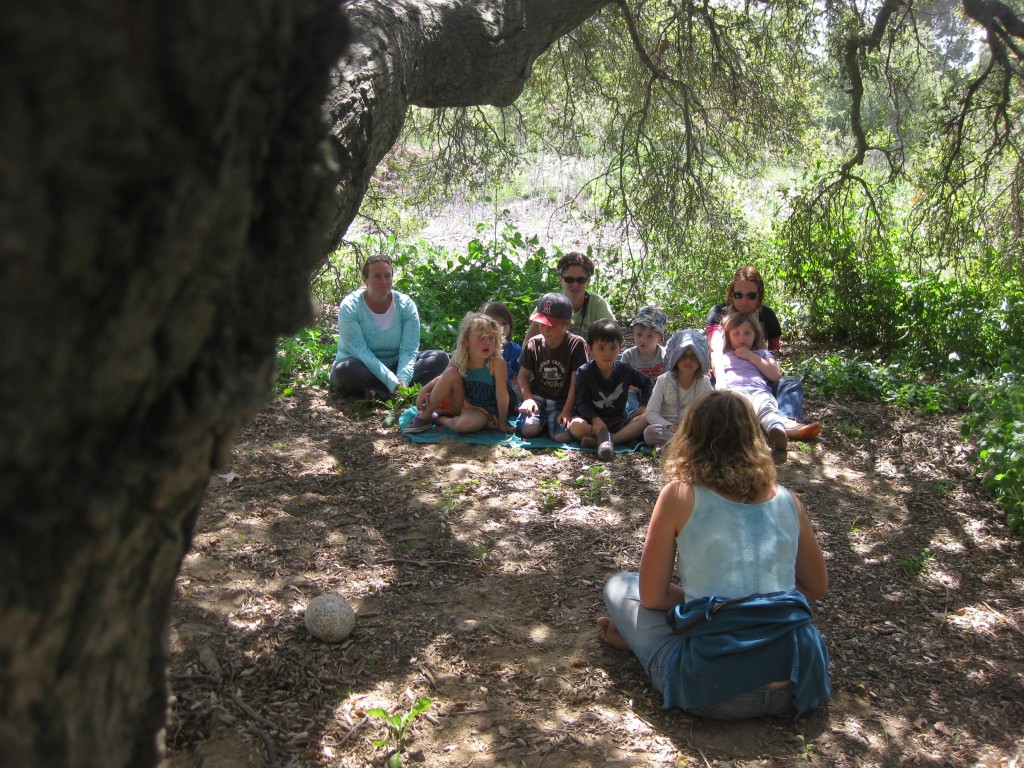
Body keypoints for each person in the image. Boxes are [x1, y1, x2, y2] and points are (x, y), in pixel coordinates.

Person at [599, 390, 830, 719]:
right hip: (798, 681)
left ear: (690, 437)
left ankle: (641, 646)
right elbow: (815, 587)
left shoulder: (679, 495)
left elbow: (652, 596)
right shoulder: (788, 501)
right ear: (755, 437)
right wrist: (756, 603)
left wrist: (712, 606)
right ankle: (648, 642)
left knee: (621, 585)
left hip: (715, 692)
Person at [706, 266, 820, 440]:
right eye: (738, 294)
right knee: (705, 384)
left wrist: (755, 360)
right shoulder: (718, 313)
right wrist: (721, 381)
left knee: (790, 383)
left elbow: (773, 352)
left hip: (759, 380)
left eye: (751, 295)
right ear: (731, 294)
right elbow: (715, 351)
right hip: (725, 374)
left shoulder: (768, 317)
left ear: (759, 296)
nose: (744, 300)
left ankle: (786, 421)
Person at [330, 254, 449, 399]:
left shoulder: (405, 305)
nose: (384, 281)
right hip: (362, 366)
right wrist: (392, 382)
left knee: (440, 358)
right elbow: (361, 352)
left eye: (387, 276)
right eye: (377, 276)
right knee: (343, 371)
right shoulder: (350, 307)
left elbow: (409, 349)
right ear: (365, 280)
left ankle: (381, 393)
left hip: (396, 364)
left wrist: (403, 379)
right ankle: (395, 391)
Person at [404, 312, 514, 435]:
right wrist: (426, 388)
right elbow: (444, 378)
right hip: (460, 401)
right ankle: (424, 417)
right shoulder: (460, 358)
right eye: (481, 337)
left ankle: (438, 419)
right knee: (451, 372)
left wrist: (503, 422)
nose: (487, 342)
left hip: (484, 408)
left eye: (491, 338)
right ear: (466, 342)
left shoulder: (496, 362)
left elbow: (502, 394)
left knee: (463, 425)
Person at [569, 319, 654, 460]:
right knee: (575, 425)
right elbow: (582, 402)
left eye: (613, 348)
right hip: (592, 423)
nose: (607, 353)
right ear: (590, 349)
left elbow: (647, 382)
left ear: (620, 347)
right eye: (601, 348)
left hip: (618, 421)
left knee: (646, 419)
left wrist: (643, 406)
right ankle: (608, 439)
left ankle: (608, 441)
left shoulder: (624, 370)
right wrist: (595, 420)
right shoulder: (584, 372)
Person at [712, 312, 791, 452]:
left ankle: (776, 430)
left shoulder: (762, 353)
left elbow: (775, 374)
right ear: (728, 336)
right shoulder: (724, 355)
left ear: (755, 334)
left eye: (747, 333)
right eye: (736, 333)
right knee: (732, 413)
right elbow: (717, 369)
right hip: (734, 392)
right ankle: (738, 438)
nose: (742, 337)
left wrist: (750, 356)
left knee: (766, 406)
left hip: (758, 391)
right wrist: (721, 385)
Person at [517, 292, 589, 442]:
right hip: (538, 398)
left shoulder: (576, 345)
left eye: (551, 325)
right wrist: (528, 399)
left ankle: (551, 423)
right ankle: (539, 422)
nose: (545, 329)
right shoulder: (534, 343)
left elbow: (576, 383)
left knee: (561, 437)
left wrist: (567, 411)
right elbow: (522, 375)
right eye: (541, 323)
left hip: (563, 401)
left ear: (566, 323)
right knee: (529, 430)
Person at [643, 329, 714, 450]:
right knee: (650, 432)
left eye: (693, 356)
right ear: (675, 358)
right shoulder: (663, 381)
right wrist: (670, 426)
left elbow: (712, 411)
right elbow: (650, 413)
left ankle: (672, 447)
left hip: (692, 429)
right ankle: (684, 447)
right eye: (683, 355)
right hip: (668, 428)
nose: (688, 360)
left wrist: (693, 426)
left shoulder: (704, 382)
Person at [527, 251, 615, 341]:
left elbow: (612, 339)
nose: (575, 285)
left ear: (588, 281)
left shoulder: (598, 305)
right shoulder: (549, 302)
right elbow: (529, 342)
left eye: (581, 280)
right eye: (569, 279)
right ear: (561, 280)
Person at [619, 305, 667, 415]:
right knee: (628, 394)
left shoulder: (664, 356)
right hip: (634, 392)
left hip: (656, 393)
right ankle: (634, 415)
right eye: (639, 335)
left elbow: (668, 380)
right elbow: (622, 381)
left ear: (659, 338)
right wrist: (635, 388)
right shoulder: (629, 355)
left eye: (650, 336)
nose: (643, 340)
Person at [481, 301, 522, 405]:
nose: (500, 328)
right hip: (481, 392)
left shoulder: (515, 350)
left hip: (507, 394)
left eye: (504, 323)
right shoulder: (478, 348)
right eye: (494, 324)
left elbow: (523, 377)